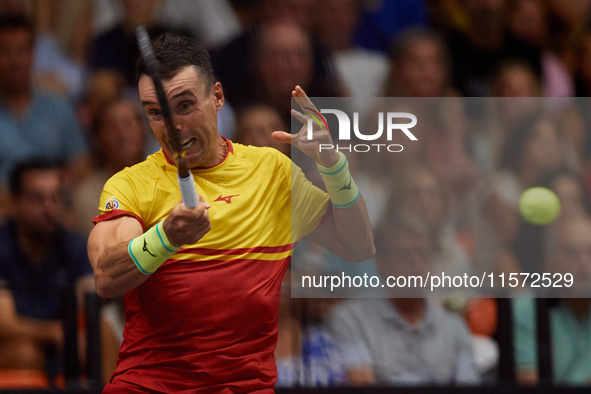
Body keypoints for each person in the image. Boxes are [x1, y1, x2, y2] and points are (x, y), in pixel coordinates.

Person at [88, 33, 374, 392]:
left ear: (218, 97)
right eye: (157, 112)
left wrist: (333, 166)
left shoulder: (271, 172)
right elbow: (106, 277)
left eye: (185, 105)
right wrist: (166, 237)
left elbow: (358, 245)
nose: (173, 125)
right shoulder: (130, 185)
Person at [328, 213, 480, 385]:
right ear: (381, 262)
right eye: (404, 254)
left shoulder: (453, 328)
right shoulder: (351, 320)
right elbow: (362, 387)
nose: (416, 263)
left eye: (423, 254)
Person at [0, 160, 94, 372]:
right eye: (38, 199)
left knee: (100, 341)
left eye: (55, 197)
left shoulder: (73, 245)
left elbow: (90, 302)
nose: (49, 208)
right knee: (25, 354)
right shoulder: (3, 246)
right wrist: (53, 332)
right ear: (13, 203)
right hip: (15, 346)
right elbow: (4, 324)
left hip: (62, 348)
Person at [0, 14, 88, 190]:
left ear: (33, 55)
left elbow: (82, 162)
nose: (15, 61)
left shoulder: (58, 106)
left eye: (22, 51)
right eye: (6, 51)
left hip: (54, 201)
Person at [513, 216, 591, 385]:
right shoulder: (525, 309)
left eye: (590, 252)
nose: (584, 262)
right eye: (571, 253)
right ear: (549, 264)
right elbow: (529, 384)